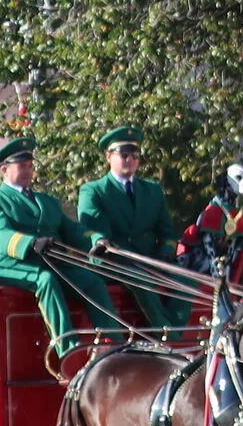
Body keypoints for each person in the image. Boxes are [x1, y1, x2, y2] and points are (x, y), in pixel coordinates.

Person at [0, 136, 122, 357]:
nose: (27, 171)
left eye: (30, 166)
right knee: (46, 281)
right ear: (4, 170)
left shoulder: (47, 201)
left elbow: (71, 229)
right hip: (13, 267)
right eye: (21, 166)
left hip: (52, 264)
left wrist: (97, 240)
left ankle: (115, 343)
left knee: (91, 281)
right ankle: (67, 350)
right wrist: (30, 243)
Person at [74, 127, 182, 335]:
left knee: (187, 280)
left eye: (135, 156)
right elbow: (92, 228)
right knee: (139, 279)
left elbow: (168, 232)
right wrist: (100, 240)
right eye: (124, 155)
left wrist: (166, 253)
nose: (130, 160)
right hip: (114, 261)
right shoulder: (94, 190)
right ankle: (168, 336)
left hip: (152, 260)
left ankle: (181, 330)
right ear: (108, 157)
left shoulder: (152, 190)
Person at [180, 161, 243, 285]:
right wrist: (215, 264)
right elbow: (206, 240)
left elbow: (233, 248)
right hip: (201, 260)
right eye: (238, 178)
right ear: (227, 181)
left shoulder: (237, 214)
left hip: (225, 268)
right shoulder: (212, 211)